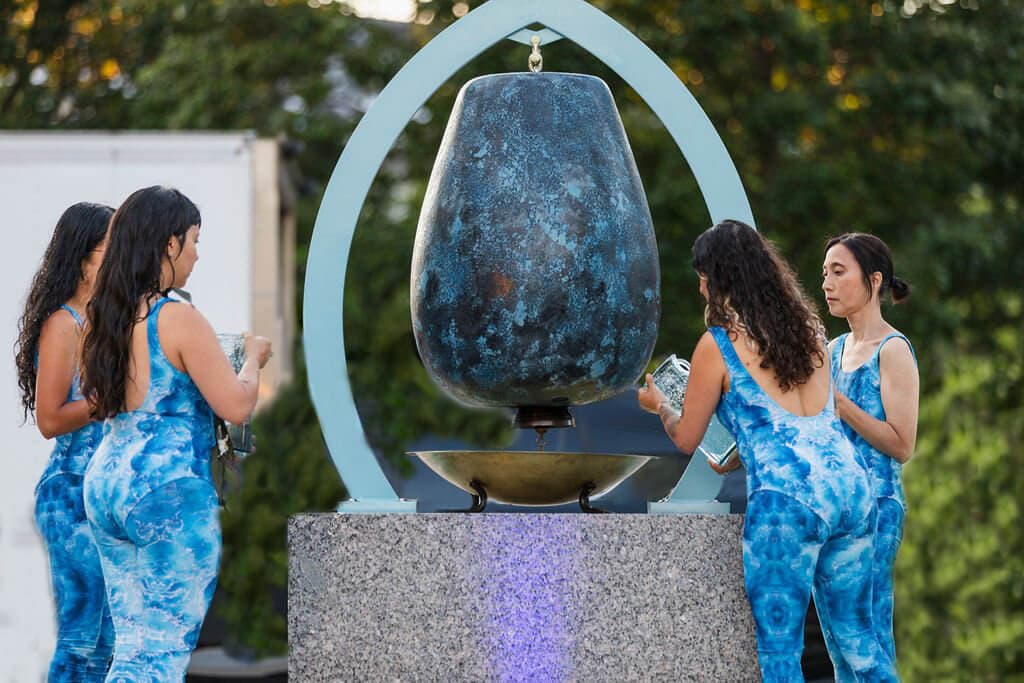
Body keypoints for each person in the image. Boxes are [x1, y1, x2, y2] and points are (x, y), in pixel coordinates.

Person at [638, 219, 897, 682]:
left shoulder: (718, 345)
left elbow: (687, 438)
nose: (700, 288)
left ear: (717, 278)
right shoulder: (811, 333)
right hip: (850, 489)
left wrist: (661, 406)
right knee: (862, 647)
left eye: (702, 277)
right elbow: (795, 424)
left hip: (786, 504)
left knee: (781, 656)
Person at [80, 186, 272, 681]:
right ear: (170, 244)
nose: (196, 254)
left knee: (132, 647)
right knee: (164, 652)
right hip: (166, 490)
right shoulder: (178, 317)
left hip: (107, 482)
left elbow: (99, 401)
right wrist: (253, 359)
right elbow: (236, 404)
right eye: (194, 240)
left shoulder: (106, 316)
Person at [15, 202, 115, 682]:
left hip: (103, 494)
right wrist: (109, 399)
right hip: (71, 492)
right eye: (110, 248)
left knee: (108, 643)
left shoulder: (104, 321)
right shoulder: (63, 324)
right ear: (82, 257)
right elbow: (50, 419)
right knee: (82, 642)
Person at [819, 233, 918, 680]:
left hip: (876, 510)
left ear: (874, 280)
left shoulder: (893, 350)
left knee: (865, 642)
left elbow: (902, 444)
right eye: (825, 274)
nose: (827, 283)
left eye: (839, 272)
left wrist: (840, 404)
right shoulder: (833, 350)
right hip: (833, 513)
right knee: (840, 651)